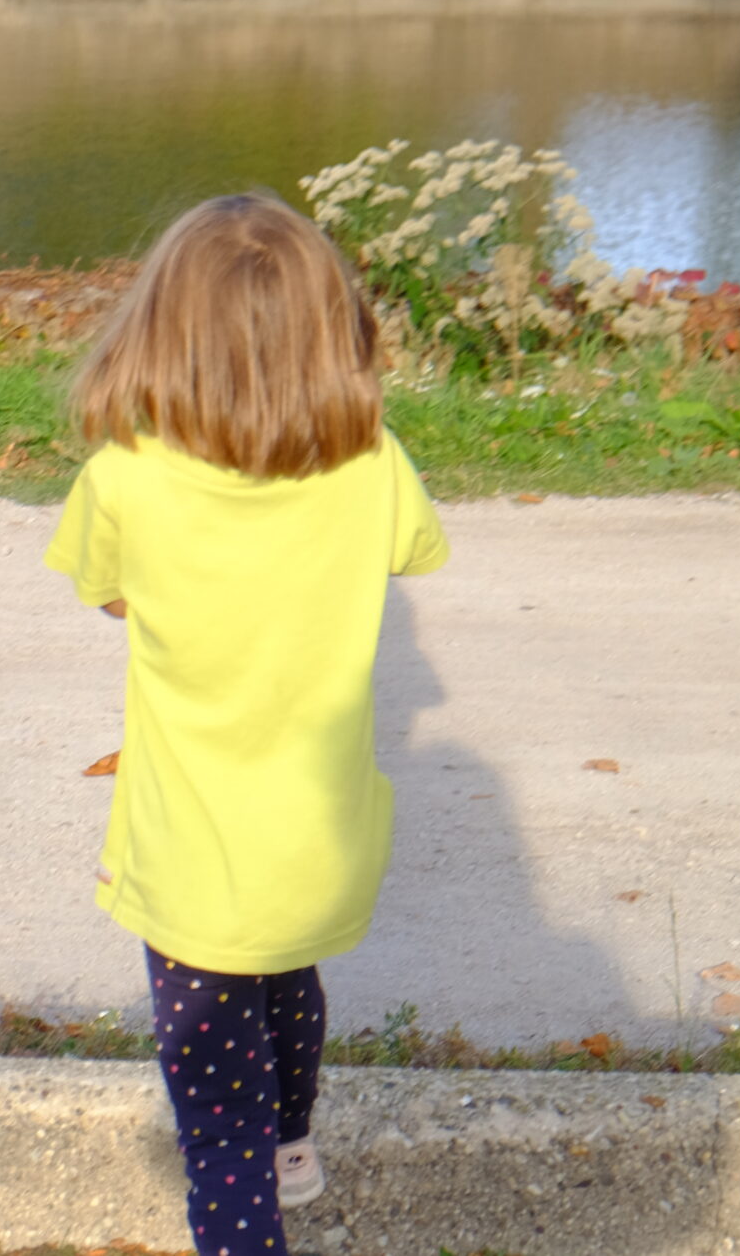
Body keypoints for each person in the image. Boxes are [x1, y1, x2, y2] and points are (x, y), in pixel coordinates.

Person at [43, 192, 450, 1256]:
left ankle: (244, 1221)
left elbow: (110, 594)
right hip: (318, 843)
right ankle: (296, 1141)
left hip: (190, 854)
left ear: (155, 331)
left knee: (213, 1120)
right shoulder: (374, 468)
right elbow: (404, 556)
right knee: (286, 985)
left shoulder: (123, 482)